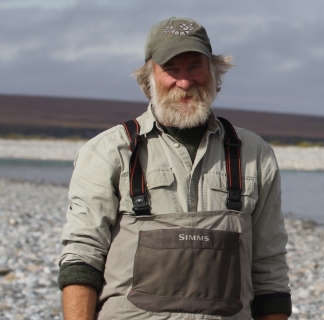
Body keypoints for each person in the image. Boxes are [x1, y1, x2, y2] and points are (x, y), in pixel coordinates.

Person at [58, 17, 291, 320]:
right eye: (171, 69)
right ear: (149, 77)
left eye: (195, 66)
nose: (185, 81)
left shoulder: (255, 155)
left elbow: (269, 267)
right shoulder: (106, 152)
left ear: (214, 71)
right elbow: (82, 258)